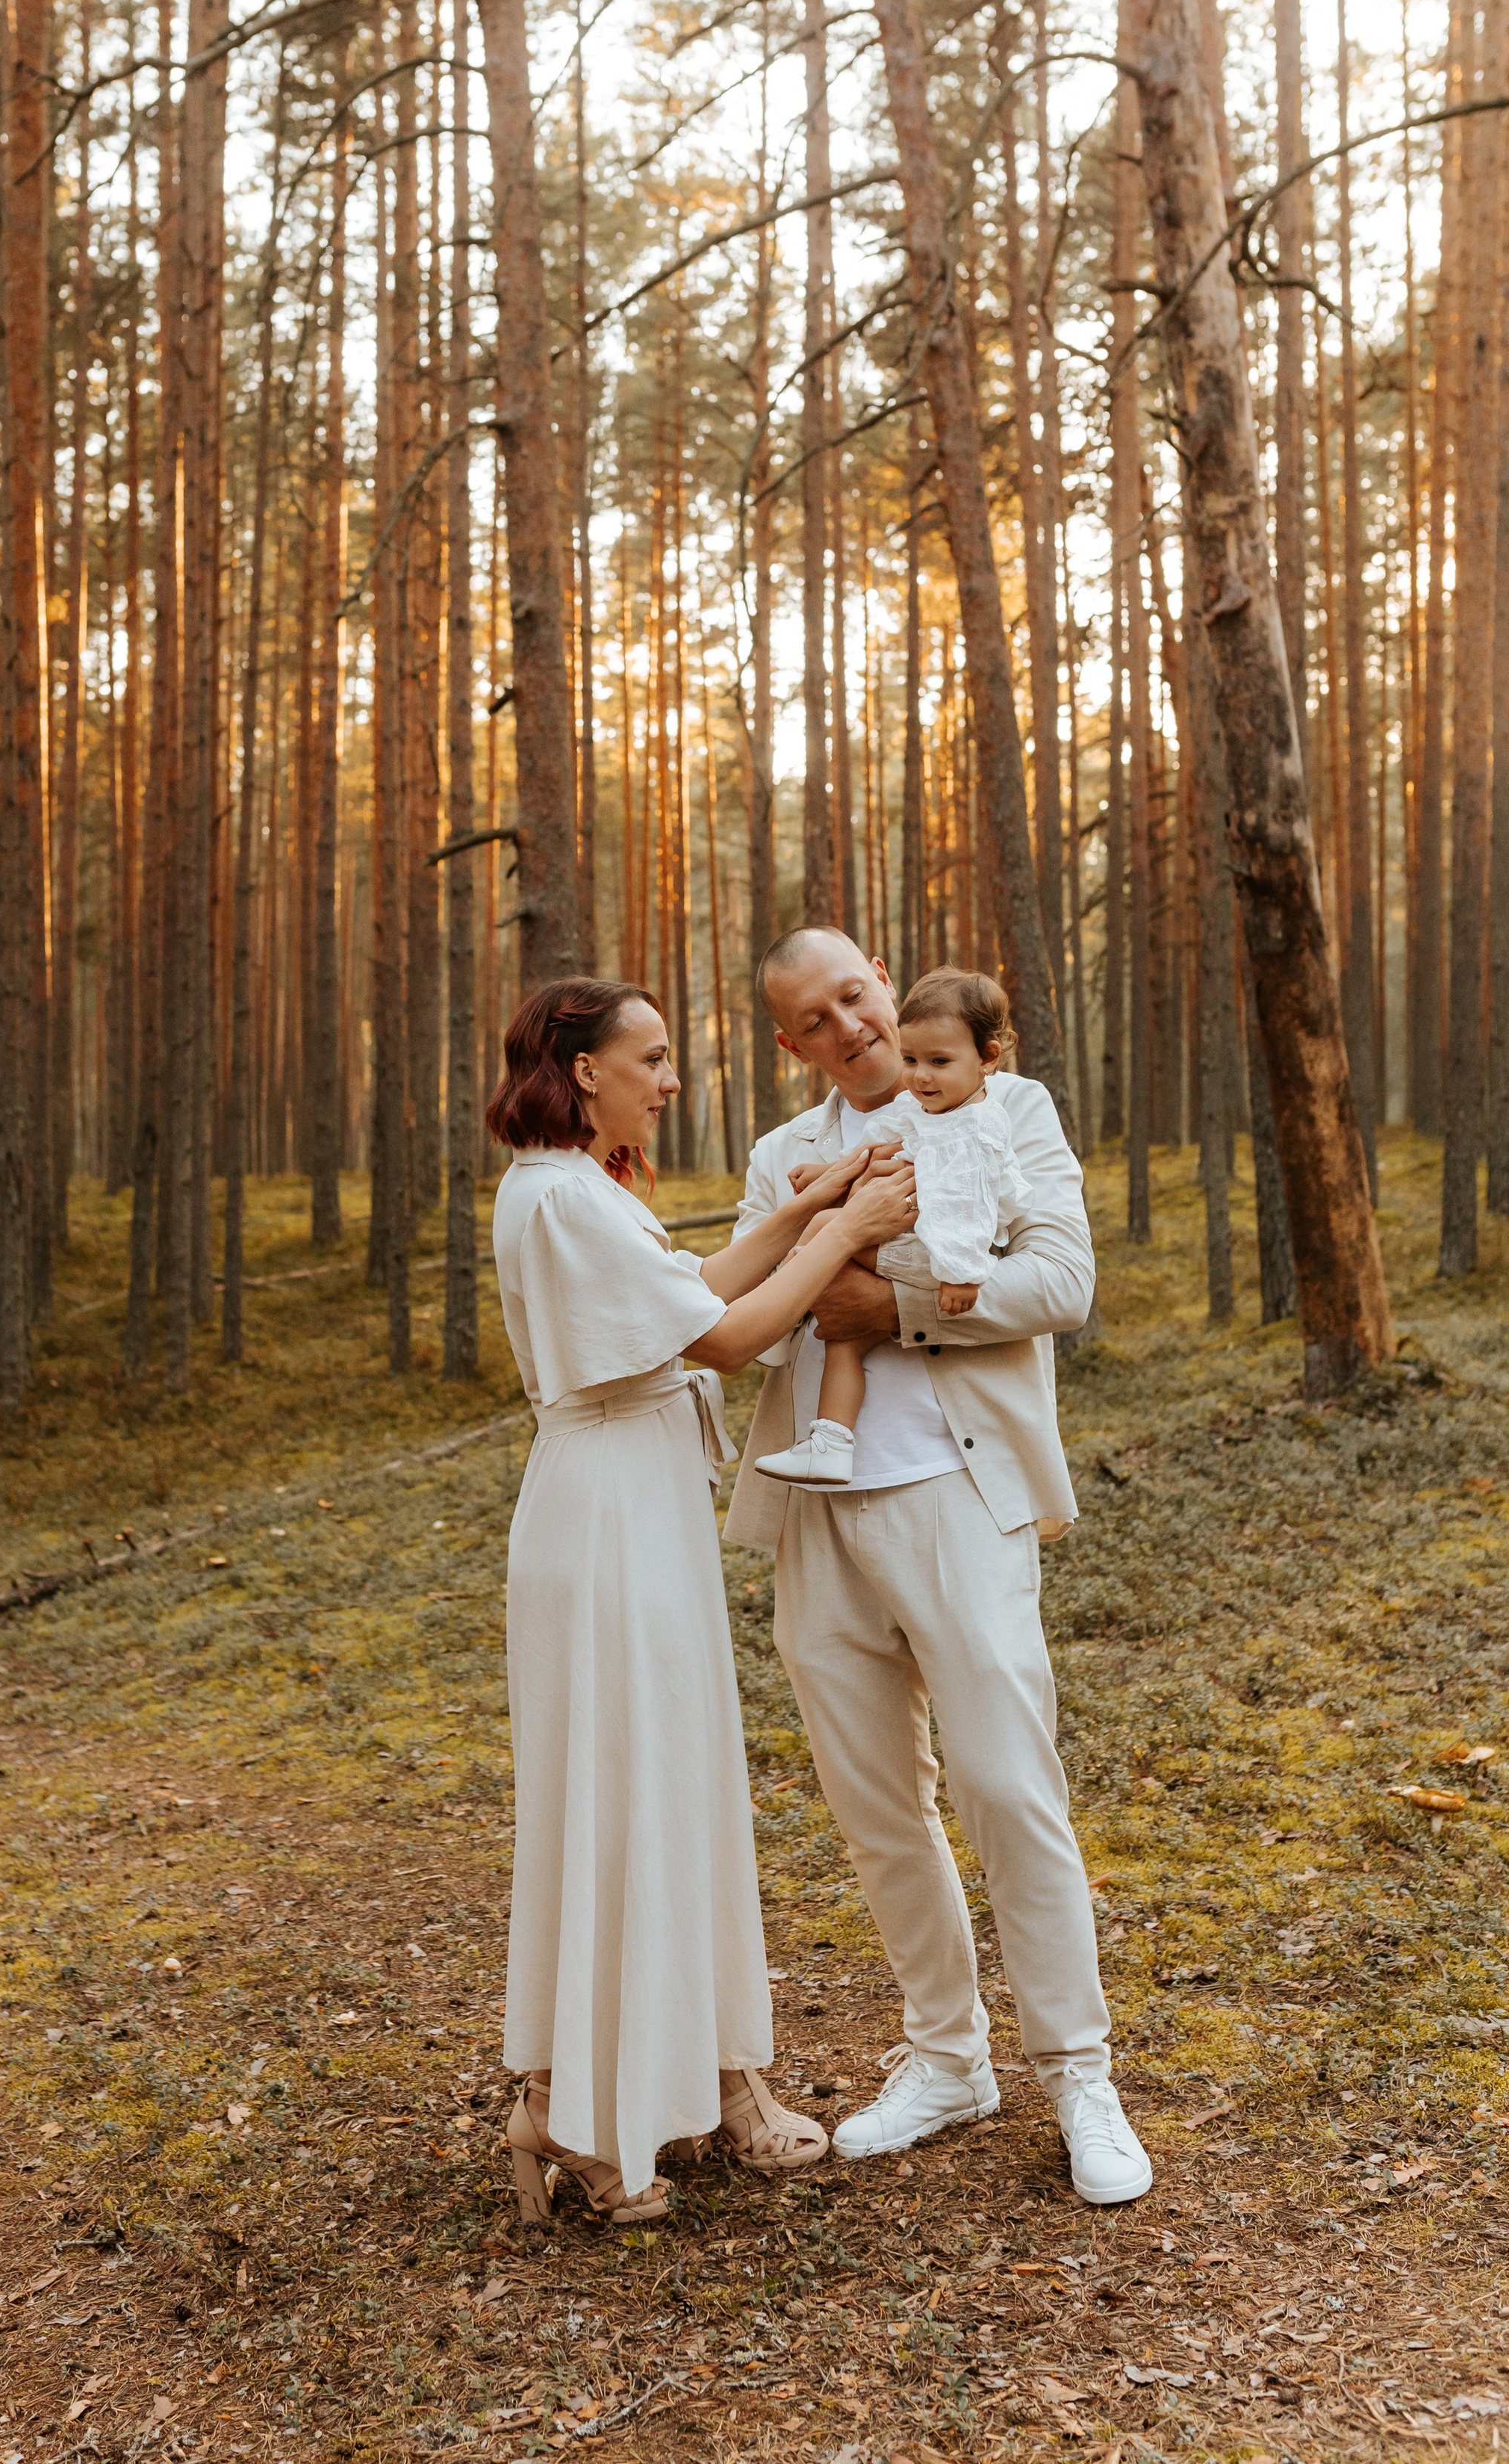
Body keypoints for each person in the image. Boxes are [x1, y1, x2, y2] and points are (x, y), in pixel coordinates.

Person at [724, 927, 1153, 2208]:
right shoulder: (780, 1157)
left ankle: (1079, 2072)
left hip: (962, 1499)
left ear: (878, 982)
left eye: (856, 995)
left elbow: (1063, 1280)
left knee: (1010, 1785)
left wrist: (897, 1312)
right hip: (820, 1509)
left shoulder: (1007, 1104)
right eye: (816, 1018)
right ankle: (947, 2057)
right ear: (792, 1044)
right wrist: (816, 1255)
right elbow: (741, 1323)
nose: (849, 1026)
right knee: (875, 1807)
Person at [488, 975, 918, 2223]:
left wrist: (818, 1202)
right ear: (584, 1074)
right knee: (622, 1799)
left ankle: (694, 2084)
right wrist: (841, 1237)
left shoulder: (578, 1193)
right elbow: (723, 1341)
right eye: (655, 1060)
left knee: (671, 1787)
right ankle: (585, 2115)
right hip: (608, 1517)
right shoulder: (564, 1198)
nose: (670, 1082)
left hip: (637, 1505)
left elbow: (701, 1285)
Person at [756, 969, 1028, 1487]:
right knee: (846, 1339)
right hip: (918, 1247)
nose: (920, 1076)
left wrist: (959, 1272)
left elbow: (965, 1209)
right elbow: (880, 1150)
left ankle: (790, 1287)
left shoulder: (976, 1128)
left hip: (942, 1262)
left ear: (987, 1058)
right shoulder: (926, 1106)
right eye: (912, 1059)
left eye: (939, 1062)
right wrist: (827, 1176)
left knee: (826, 1229)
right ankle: (832, 1442)